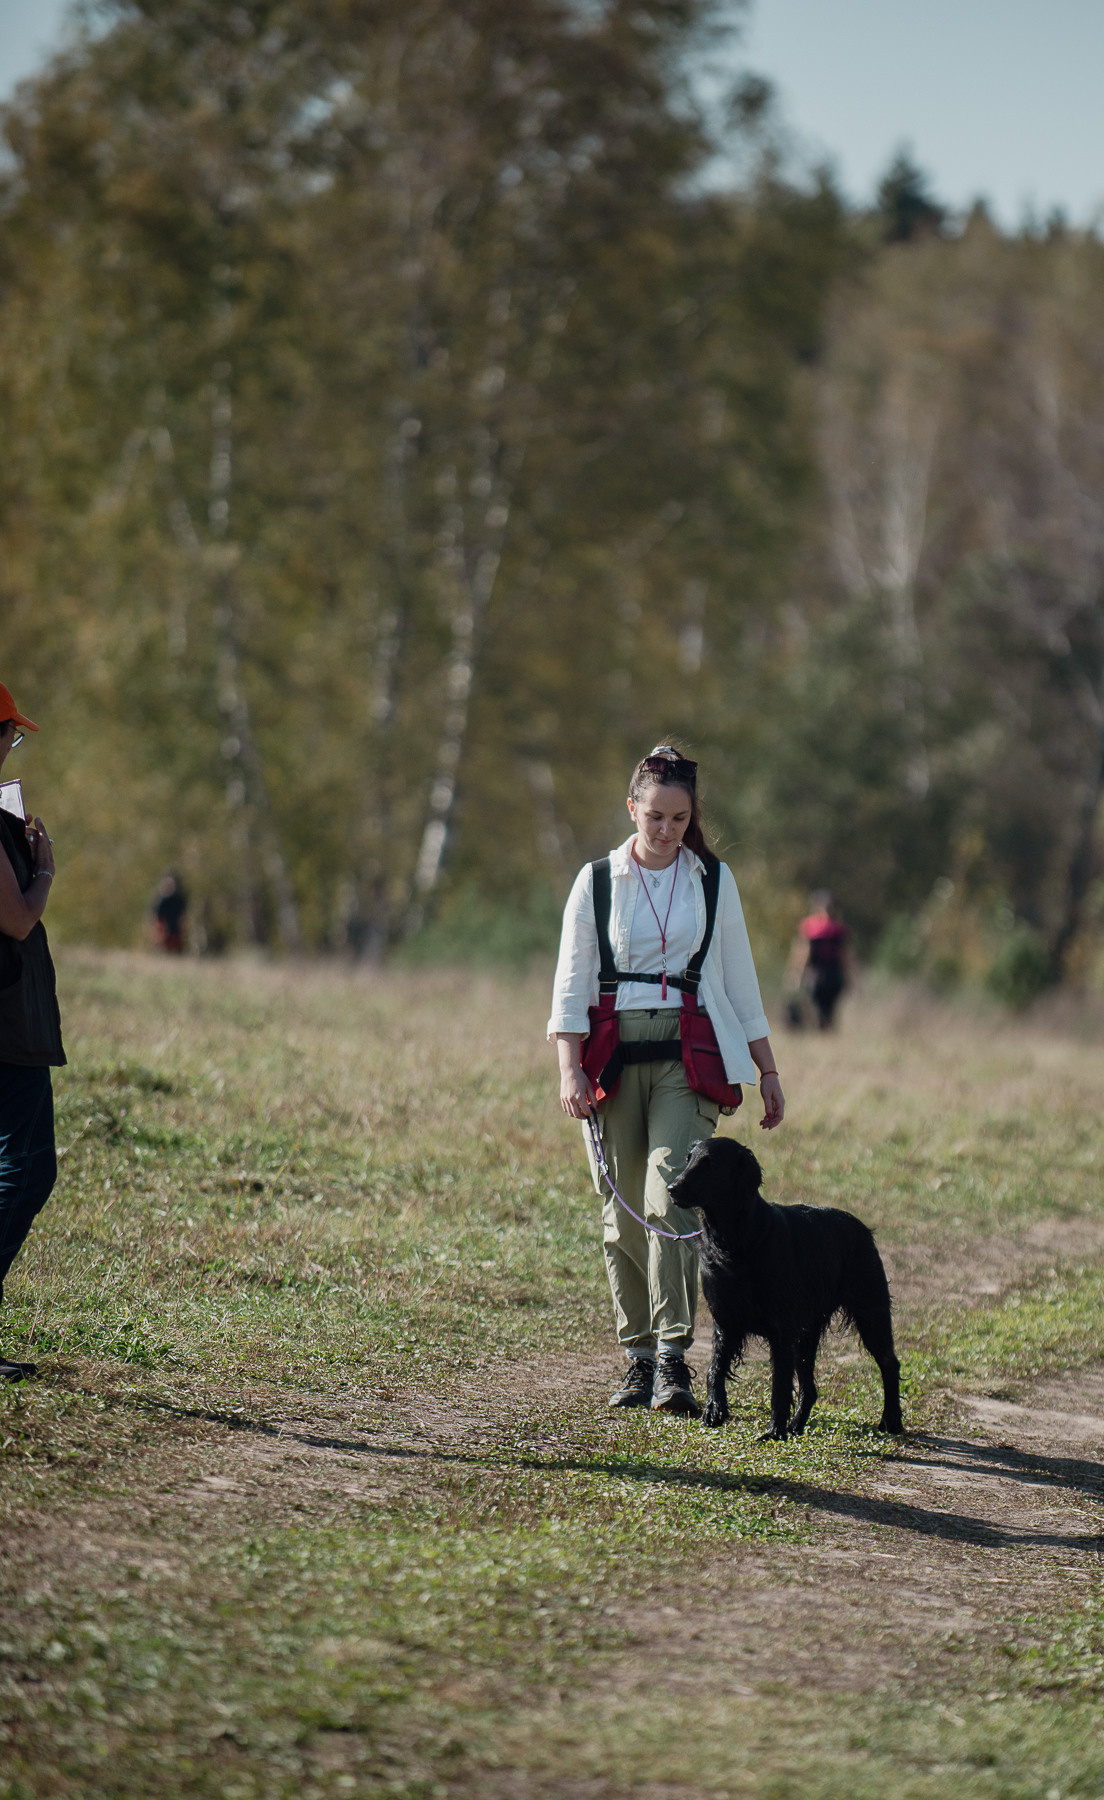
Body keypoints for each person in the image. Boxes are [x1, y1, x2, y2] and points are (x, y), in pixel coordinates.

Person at [548, 745, 784, 1417]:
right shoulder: (596, 881)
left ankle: (675, 1359)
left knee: (669, 1197)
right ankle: (638, 1357)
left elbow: (739, 982)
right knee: (620, 1215)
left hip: (689, 1058)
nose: (667, 831)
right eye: (655, 817)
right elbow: (570, 983)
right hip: (611, 1062)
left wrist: (768, 1069)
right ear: (632, 809)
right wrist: (567, 1067)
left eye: (680, 819)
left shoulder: (713, 880)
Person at [0, 682, 62, 1383]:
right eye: (9, 734)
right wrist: (43, 867)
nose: (9, 746)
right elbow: (16, 919)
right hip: (5, 1025)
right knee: (26, 1170)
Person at [786, 890, 851, 1031]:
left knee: (817, 1006)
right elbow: (845, 955)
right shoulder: (838, 927)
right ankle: (825, 1033)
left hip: (817, 974)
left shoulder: (809, 926)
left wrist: (795, 974)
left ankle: (822, 1033)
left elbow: (803, 952)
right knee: (828, 1009)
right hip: (833, 974)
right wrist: (848, 977)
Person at [150, 870, 188, 953]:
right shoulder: (161, 901)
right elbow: (157, 921)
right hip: (165, 934)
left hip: (177, 934)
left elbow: (183, 918)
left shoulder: (180, 900)